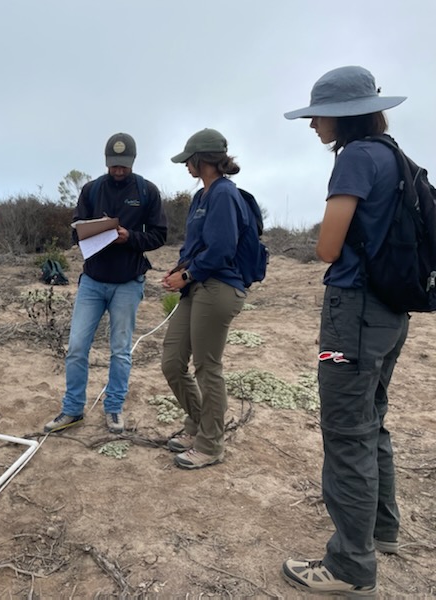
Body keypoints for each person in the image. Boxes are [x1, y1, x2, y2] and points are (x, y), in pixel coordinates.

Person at [280, 66, 409, 596]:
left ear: (344, 115)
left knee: (346, 432)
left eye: (318, 116)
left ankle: (350, 567)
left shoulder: (355, 158)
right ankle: (381, 530)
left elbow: (328, 248)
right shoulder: (396, 155)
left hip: (352, 316)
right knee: (371, 422)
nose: (313, 126)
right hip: (389, 314)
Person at [44, 133, 167, 434]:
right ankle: (73, 409)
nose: (118, 170)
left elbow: (160, 235)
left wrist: (130, 237)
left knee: (120, 350)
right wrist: (90, 231)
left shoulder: (147, 191)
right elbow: (76, 230)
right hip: (93, 282)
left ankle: (113, 409)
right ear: (106, 162)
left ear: (133, 162)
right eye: (113, 165)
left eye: (123, 165)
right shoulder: (91, 189)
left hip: (128, 282)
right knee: (76, 347)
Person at [160, 129, 254, 469]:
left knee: (207, 367)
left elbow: (222, 249)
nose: (186, 165)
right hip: (196, 285)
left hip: (219, 288)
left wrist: (186, 274)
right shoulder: (202, 197)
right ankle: (199, 424)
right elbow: (197, 247)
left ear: (204, 160)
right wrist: (178, 271)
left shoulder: (225, 194)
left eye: (189, 160)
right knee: (172, 361)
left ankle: (211, 443)